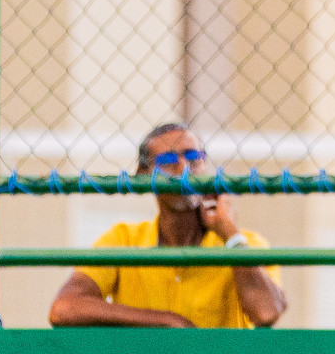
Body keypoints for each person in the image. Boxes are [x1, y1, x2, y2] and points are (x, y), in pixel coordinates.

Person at [48, 123, 286, 329]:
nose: (183, 170)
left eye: (194, 158)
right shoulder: (124, 239)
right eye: (168, 161)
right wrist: (165, 321)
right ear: (143, 175)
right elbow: (64, 308)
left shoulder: (244, 243)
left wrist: (230, 235)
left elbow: (266, 312)